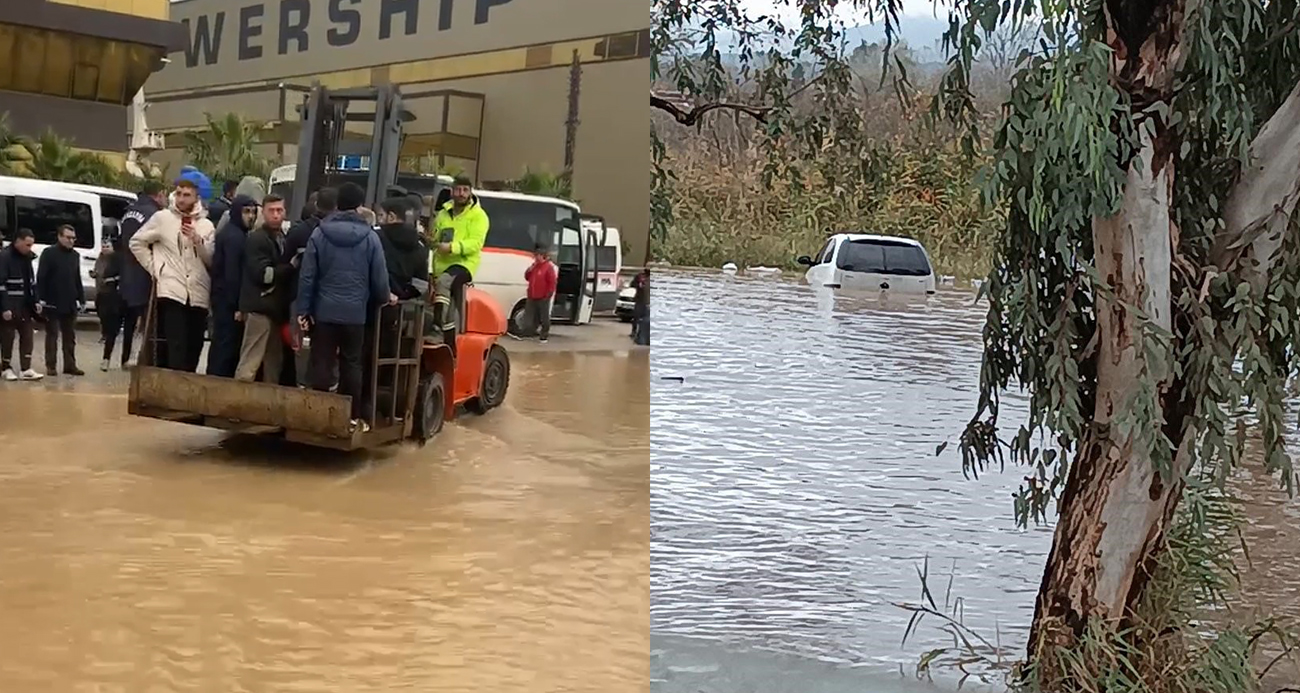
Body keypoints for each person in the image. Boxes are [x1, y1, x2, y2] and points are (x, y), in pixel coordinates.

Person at [297, 182, 393, 431]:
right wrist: (382, 299)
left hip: (324, 313)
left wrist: (303, 310)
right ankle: (352, 418)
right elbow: (380, 281)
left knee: (322, 362)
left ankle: (317, 415)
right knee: (352, 363)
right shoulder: (371, 238)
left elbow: (307, 276)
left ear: (338, 204)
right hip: (355, 315)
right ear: (360, 207)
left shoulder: (319, 234)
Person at [128, 173, 216, 372]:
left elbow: (211, 260)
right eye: (178, 194)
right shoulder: (162, 218)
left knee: (194, 345)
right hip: (171, 289)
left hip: (198, 291)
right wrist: (156, 269)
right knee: (175, 342)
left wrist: (198, 241)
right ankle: (173, 386)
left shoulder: (206, 225)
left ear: (196, 198)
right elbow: (136, 242)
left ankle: (187, 384)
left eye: (187, 195)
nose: (182, 199)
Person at [234, 194, 293, 382]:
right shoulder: (257, 239)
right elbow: (263, 275)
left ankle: (267, 406)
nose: (276, 215)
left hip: (273, 309)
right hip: (260, 308)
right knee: (250, 361)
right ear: (264, 212)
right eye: (271, 210)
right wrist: (291, 267)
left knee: (273, 362)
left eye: (280, 210)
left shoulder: (280, 237)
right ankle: (236, 404)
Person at [430, 175, 489, 354]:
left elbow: (476, 244)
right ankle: (450, 345)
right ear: (452, 191)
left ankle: (436, 325)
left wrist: (452, 248)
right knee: (451, 304)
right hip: (442, 266)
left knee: (445, 282)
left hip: (464, 264)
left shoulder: (479, 216)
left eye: (465, 190)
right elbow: (435, 240)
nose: (461, 194)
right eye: (458, 190)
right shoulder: (442, 214)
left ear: (470, 192)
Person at [206, 195, 258, 377]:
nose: (250, 216)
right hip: (228, 303)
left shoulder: (235, 233)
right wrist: (238, 306)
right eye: (246, 211)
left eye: (253, 212)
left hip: (224, 301)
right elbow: (232, 274)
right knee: (225, 348)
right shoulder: (234, 237)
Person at [119, 180, 167, 366]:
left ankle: (124, 357)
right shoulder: (155, 214)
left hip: (127, 271)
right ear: (159, 194)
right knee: (149, 320)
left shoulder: (128, 212)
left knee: (129, 321)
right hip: (146, 272)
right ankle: (145, 360)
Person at [36, 224, 86, 376]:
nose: (71, 241)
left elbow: (77, 278)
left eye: (73, 238)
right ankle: (51, 365)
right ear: (59, 236)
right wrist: (40, 298)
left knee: (69, 337)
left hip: (70, 302)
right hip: (52, 301)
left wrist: (81, 298)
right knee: (52, 336)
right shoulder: (49, 253)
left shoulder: (75, 256)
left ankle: (70, 365)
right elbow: (41, 277)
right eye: (68, 237)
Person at [0, 228, 43, 381]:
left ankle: (26, 368)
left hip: (25, 305)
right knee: (7, 337)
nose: (29, 248)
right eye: (27, 245)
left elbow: (31, 282)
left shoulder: (27, 258)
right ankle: (5, 367)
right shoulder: (4, 257)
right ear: (17, 241)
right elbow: (1, 284)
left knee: (27, 335)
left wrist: (36, 300)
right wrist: (4, 307)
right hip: (10, 305)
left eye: (31, 245)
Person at [376, 196, 430, 299]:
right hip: (401, 307)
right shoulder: (419, 244)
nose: (379, 220)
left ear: (391, 217)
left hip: (374, 303)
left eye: (381, 215)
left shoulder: (376, 238)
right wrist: (403, 295)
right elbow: (421, 283)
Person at [92, 235, 126, 370]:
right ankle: (108, 358)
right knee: (112, 329)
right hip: (109, 296)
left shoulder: (119, 259)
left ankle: (110, 359)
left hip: (117, 298)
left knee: (115, 330)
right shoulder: (107, 259)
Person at [519, 242, 557, 343]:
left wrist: (548, 294)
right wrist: (530, 269)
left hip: (543, 296)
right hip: (532, 295)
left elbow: (552, 282)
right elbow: (527, 277)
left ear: (542, 256)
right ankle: (527, 332)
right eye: (535, 256)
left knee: (544, 316)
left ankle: (544, 335)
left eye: (537, 256)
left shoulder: (548, 267)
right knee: (529, 315)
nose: (536, 258)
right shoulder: (534, 267)